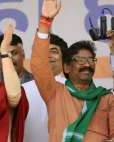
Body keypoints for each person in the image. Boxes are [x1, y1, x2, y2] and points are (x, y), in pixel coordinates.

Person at [30, 0, 114, 141]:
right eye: (80, 60)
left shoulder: (106, 98)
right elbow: (39, 65)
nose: (87, 64)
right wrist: (45, 22)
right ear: (67, 67)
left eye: (91, 60)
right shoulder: (55, 93)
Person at [23, 33, 68, 142]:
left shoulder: (74, 90)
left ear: (64, 58)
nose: (47, 55)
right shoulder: (21, 89)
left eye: (54, 51)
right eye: (43, 52)